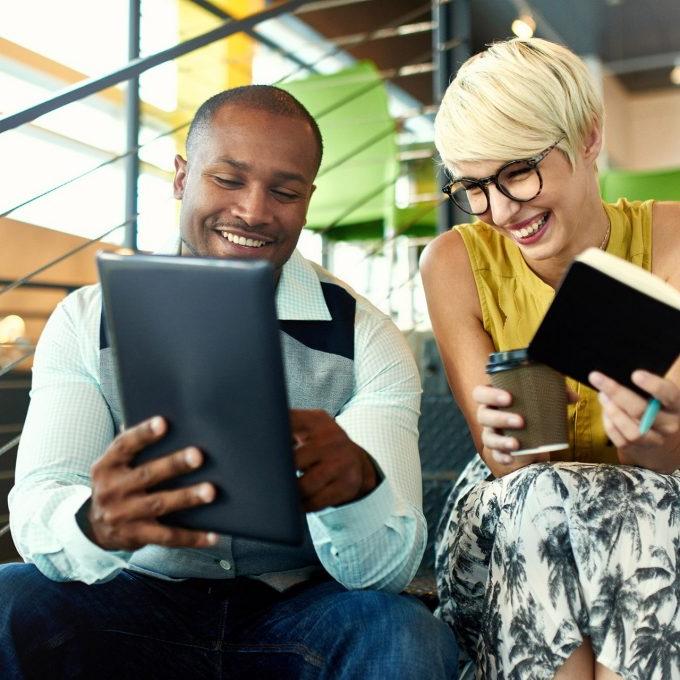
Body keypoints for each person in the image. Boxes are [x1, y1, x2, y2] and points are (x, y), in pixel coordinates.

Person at [1, 85, 459, 679]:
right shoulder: (88, 321)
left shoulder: (366, 337)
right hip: (133, 597)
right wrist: (93, 522)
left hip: (298, 613)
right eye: (228, 180)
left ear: (309, 200)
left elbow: (386, 573)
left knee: (406, 634)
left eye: (285, 191)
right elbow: (40, 504)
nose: (253, 211)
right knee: (8, 600)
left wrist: (359, 490)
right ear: (181, 177)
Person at [420, 38, 680, 680]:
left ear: (589, 137)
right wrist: (512, 432)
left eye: (517, 172)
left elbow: (663, 463)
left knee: (640, 500)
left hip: (649, 508)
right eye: (474, 187)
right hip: (516, 513)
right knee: (548, 491)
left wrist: (656, 438)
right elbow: (505, 464)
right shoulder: (454, 263)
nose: (502, 211)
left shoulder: (675, 241)